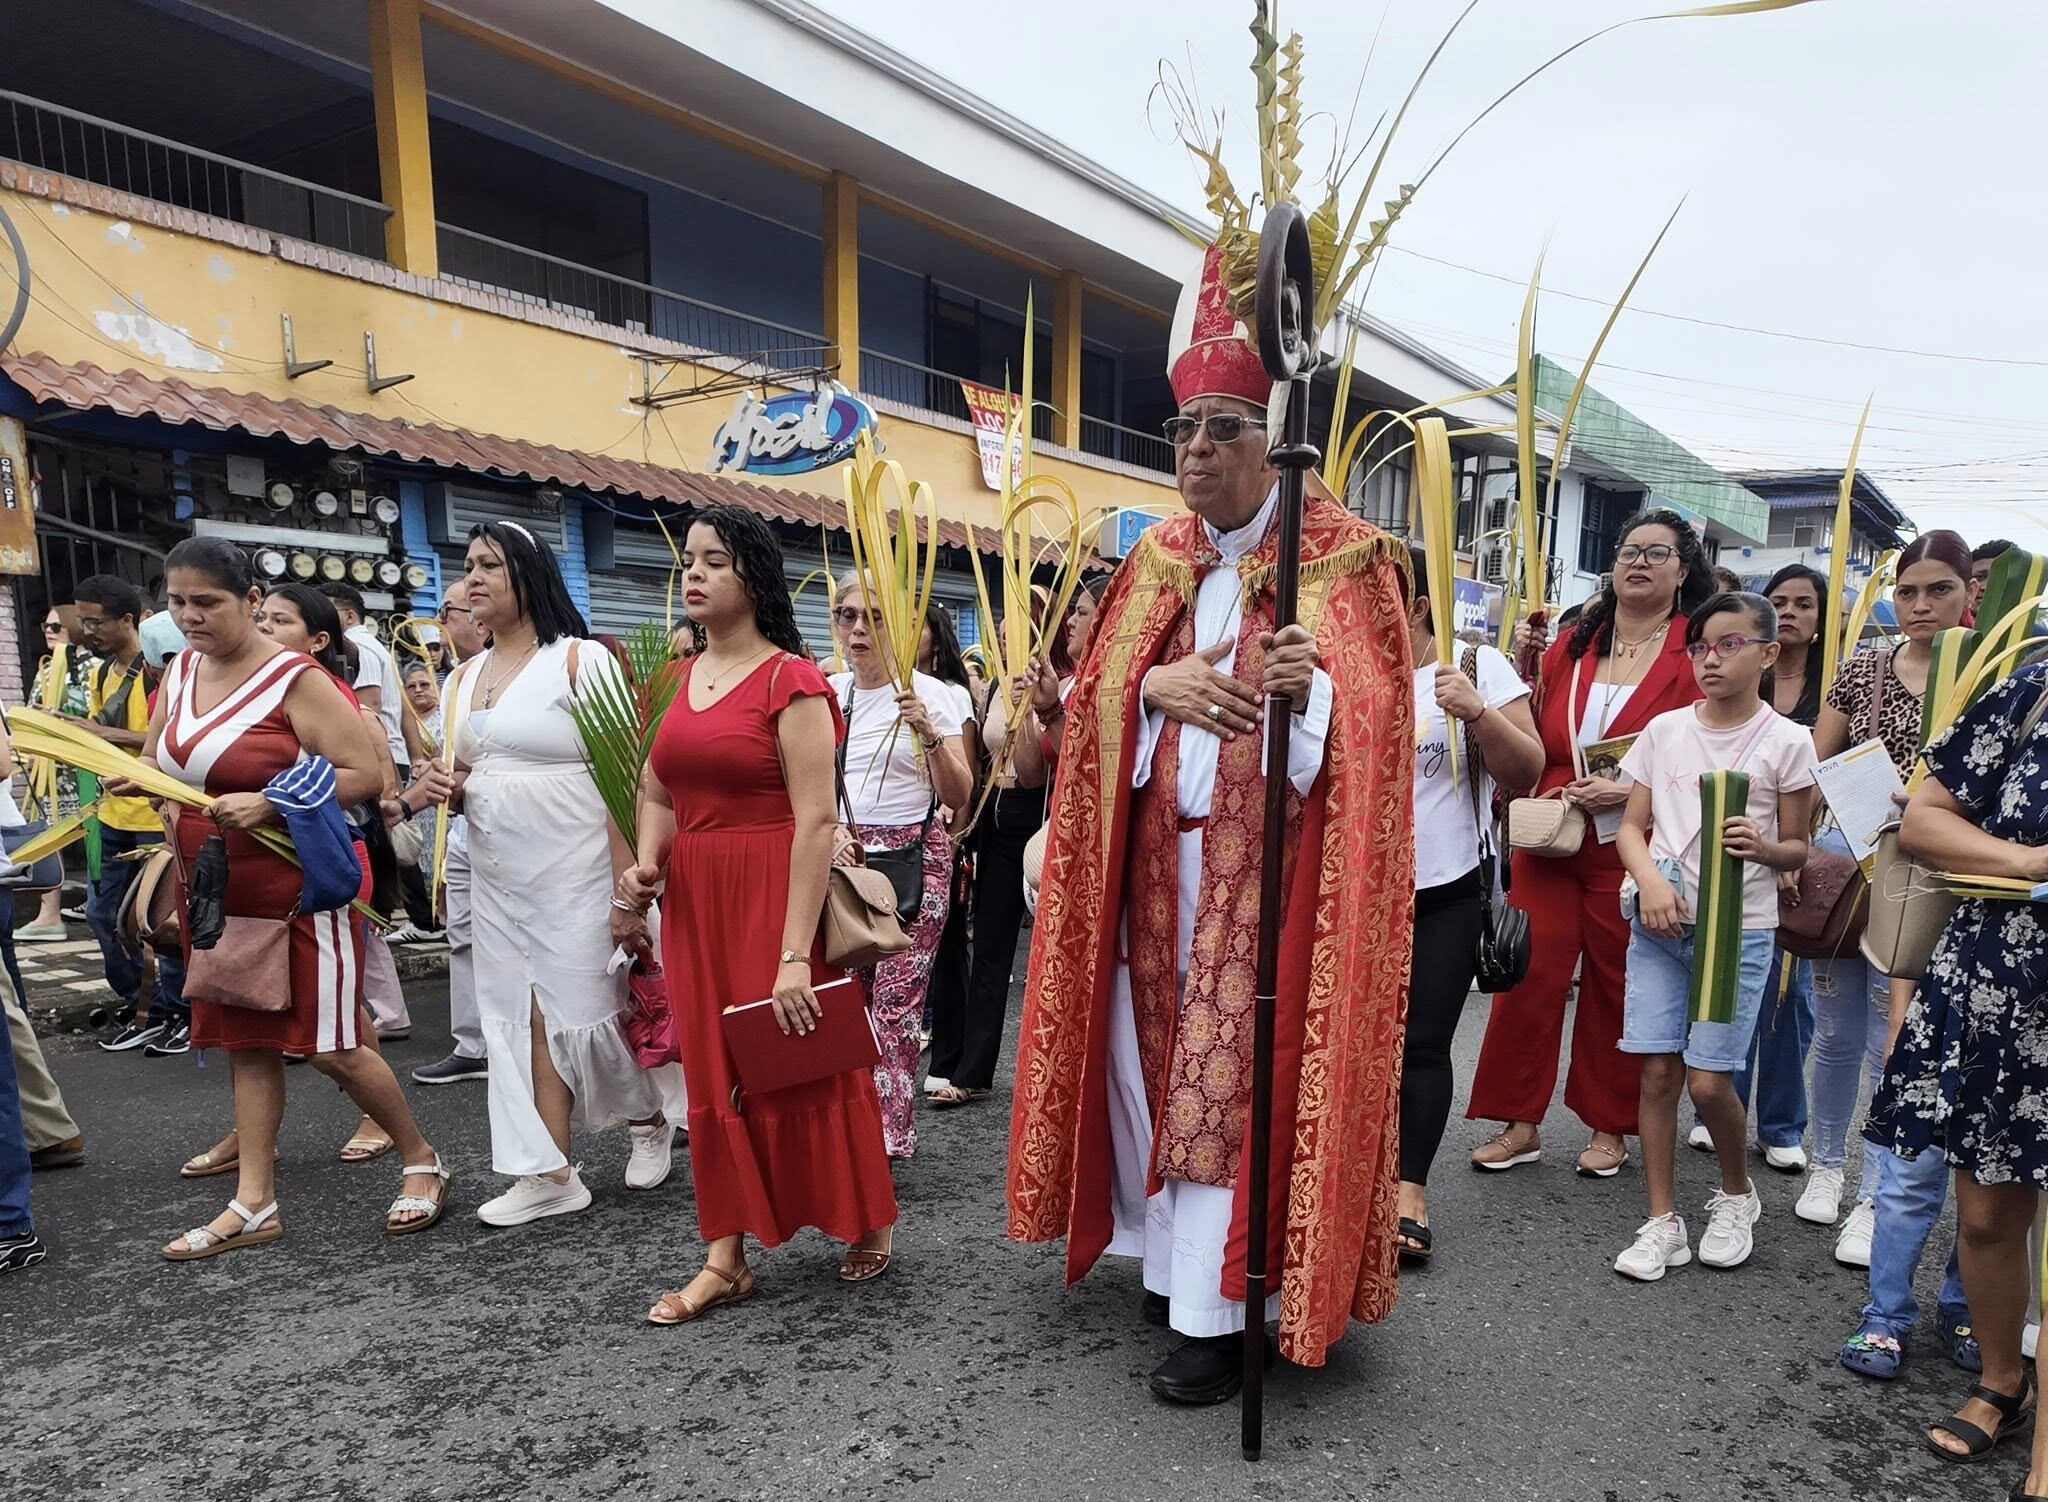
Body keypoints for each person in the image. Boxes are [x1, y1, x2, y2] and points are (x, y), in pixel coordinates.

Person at [1008, 241, 1415, 1402]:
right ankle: (1172, 1263)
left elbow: (1375, 733)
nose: (1195, 452)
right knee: (1153, 1071)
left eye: (1223, 429)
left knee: (1233, 1076)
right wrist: (1150, 691)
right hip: (1159, 871)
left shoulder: (1345, 561)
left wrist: (1310, 693)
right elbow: (1090, 700)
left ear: (1276, 436)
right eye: (1183, 432)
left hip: (1268, 885)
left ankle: (1219, 1307)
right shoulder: (1154, 560)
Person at [622, 505, 897, 1321]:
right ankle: (725, 1254)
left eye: (715, 561)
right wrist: (646, 862)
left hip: (779, 889)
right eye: (689, 563)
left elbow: (815, 820)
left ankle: (867, 1218)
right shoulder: (673, 680)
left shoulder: (792, 681)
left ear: (755, 576)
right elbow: (656, 789)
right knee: (712, 1065)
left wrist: (790, 953)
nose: (695, 575)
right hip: (697, 897)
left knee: (797, 1054)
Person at [138, 538, 449, 1257]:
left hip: (297, 886)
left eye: (207, 602)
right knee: (244, 1041)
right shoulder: (182, 670)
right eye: (178, 602)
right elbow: (157, 755)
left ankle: (421, 1157)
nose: (190, 617)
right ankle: (254, 1203)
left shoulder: (294, 678)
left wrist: (271, 802)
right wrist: (144, 781)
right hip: (215, 885)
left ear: (249, 600)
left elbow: (366, 774)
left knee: (333, 1044)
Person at [420, 521, 679, 1227]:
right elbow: (478, 769)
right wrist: (451, 787)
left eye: (488, 567)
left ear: (528, 577)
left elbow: (629, 783)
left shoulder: (581, 661)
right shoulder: (464, 676)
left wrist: (633, 888)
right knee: (513, 1013)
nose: (472, 580)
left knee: (594, 1007)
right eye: (467, 565)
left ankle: (649, 1113)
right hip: (498, 871)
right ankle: (549, 1170)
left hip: (580, 868)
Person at [1469, 509, 1716, 1178]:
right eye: (1629, 550)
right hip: (1553, 833)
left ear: (1682, 570)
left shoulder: (1698, 648)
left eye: (1656, 553)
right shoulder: (1574, 644)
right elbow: (1540, 737)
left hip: (1636, 842)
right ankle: (1519, 1122)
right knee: (1528, 975)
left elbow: (1705, 747)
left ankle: (1611, 1127)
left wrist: (1635, 790)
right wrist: (1556, 788)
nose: (1639, 562)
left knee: (1618, 982)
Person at [1865, 661, 2048, 1476]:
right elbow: (1923, 821)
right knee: (1986, 1217)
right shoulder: (2034, 683)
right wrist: (2027, 862)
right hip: (2002, 989)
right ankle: (2006, 1383)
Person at [1610, 592, 1818, 1279]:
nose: (1712, 659)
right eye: (1701, 646)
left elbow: (1798, 849)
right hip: (1660, 924)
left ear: (1770, 652)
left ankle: (1736, 1193)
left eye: (1731, 644)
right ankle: (1661, 1219)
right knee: (1659, 1071)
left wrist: (1762, 848)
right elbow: (1629, 830)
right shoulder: (1665, 730)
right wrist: (1655, 884)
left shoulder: (1789, 741)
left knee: (1707, 1082)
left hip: (1741, 930)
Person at [1803, 530, 1975, 1266]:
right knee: (1837, 1030)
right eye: (1908, 590)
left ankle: (1876, 1193)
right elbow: (1815, 761)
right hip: (1851, 867)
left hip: (1937, 877)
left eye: (1940, 589)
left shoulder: (1988, 677)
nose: (1921, 604)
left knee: (1895, 1038)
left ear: (1971, 594)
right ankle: (1824, 1164)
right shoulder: (1862, 670)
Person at [1395, 544, 1543, 1263]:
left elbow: (1528, 769)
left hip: (1445, 888)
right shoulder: (1336, 671)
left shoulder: (1474, 664)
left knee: (1421, 1043)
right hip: (1350, 894)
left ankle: (1407, 1189)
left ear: (1419, 606)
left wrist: (1478, 712)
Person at [1687, 563, 1828, 1166]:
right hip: (1733, 865)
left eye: (1805, 602)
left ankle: (1783, 1124)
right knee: (1734, 992)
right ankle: (1722, 1105)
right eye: (1780, 599)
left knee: (1790, 998)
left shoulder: (1835, 686)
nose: (1792, 610)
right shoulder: (1715, 690)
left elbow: (1816, 785)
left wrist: (1785, 852)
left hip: (1809, 853)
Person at [828, 572, 972, 1160]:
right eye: (847, 614)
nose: (858, 629)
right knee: (846, 997)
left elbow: (960, 793)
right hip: (844, 858)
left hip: (915, 857)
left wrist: (928, 733)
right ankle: (848, 1127)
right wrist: (830, 831)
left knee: (897, 1001)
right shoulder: (827, 693)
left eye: (876, 616)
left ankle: (884, 1137)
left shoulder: (933, 695)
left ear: (908, 625)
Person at [69, 576, 191, 1056]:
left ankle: (178, 1012)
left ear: (128, 620)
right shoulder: (101, 675)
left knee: (162, 922)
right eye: (82, 622)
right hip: (114, 814)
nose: (87, 631)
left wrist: (95, 732)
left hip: (155, 814)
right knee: (105, 916)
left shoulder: (161, 671)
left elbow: (169, 744)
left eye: (94, 621)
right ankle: (147, 1007)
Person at [321, 582, 439, 942]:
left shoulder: (361, 650)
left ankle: (418, 919)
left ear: (348, 615)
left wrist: (389, 773)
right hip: (387, 757)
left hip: (378, 758)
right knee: (389, 844)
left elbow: (367, 711)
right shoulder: (375, 649)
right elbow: (402, 711)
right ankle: (412, 918)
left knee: (391, 844)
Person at [411, 583, 490, 1086]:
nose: (442, 624)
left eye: (449, 612)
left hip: (508, 826)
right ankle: (472, 1043)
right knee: (461, 936)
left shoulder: (537, 668)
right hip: (459, 827)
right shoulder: (455, 679)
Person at [916, 604, 984, 1104]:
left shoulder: (951, 693)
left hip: (939, 834)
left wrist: (956, 837)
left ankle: (947, 1059)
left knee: (947, 948)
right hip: (896, 839)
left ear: (936, 639)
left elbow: (964, 771)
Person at [20, 606, 92, 943]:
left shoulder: (92, 668)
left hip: (84, 767)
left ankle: (96, 903)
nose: (48, 631)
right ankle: (49, 915)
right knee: (50, 837)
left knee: (93, 835)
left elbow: (95, 718)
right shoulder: (46, 671)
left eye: (56, 625)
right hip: (51, 770)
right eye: (44, 625)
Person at [1968, 538, 2014, 615]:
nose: (1986, 587)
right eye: (1979, 578)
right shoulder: (1945, 626)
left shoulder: (2030, 627)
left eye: (1999, 578)